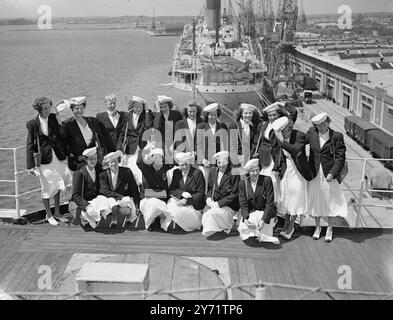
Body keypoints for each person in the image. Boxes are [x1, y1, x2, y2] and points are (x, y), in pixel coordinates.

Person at [26, 97, 72, 226]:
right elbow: (30, 144)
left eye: (48, 107)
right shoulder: (33, 124)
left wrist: (59, 122)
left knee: (58, 185)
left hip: (57, 156)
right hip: (44, 160)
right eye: (44, 108)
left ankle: (57, 213)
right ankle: (49, 214)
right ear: (39, 109)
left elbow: (62, 135)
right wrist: (30, 166)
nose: (47, 110)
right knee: (46, 187)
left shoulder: (53, 118)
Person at [307, 113, 348, 242]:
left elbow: (341, 157)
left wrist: (333, 173)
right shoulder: (312, 133)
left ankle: (329, 228)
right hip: (315, 173)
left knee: (330, 200)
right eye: (319, 125)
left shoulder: (336, 136)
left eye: (324, 124)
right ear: (315, 126)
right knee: (316, 200)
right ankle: (317, 227)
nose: (322, 127)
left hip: (328, 173)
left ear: (328, 122)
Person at [271, 117, 313, 240]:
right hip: (287, 170)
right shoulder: (281, 137)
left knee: (295, 198)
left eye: (282, 131)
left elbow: (294, 150)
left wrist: (283, 141)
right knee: (287, 198)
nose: (281, 134)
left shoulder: (299, 136)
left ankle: (291, 227)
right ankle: (285, 225)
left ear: (288, 128)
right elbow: (280, 154)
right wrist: (276, 168)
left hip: (298, 171)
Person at [237, 159, 279, 244]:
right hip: (252, 212)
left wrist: (263, 220)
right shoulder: (242, 184)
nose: (255, 173)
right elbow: (243, 204)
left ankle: (265, 231)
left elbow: (270, 203)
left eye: (257, 170)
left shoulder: (267, 180)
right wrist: (245, 218)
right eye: (252, 171)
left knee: (264, 237)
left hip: (266, 212)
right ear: (248, 172)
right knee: (244, 227)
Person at [71, 147, 113, 229]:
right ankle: (85, 216)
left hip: (95, 201)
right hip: (84, 203)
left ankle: (93, 215)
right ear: (86, 160)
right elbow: (75, 196)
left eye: (95, 159)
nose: (93, 161)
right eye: (90, 159)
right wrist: (87, 206)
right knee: (89, 211)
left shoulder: (99, 171)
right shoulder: (79, 173)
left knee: (107, 201)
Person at [64, 97, 109, 171]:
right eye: (77, 108)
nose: (79, 111)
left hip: (94, 160)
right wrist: (74, 156)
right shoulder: (67, 124)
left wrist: (104, 154)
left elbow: (102, 138)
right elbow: (64, 143)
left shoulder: (92, 121)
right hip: (79, 162)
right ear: (72, 109)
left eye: (81, 108)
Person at [118, 96, 154, 186]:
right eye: (136, 107)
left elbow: (148, 125)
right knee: (130, 169)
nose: (138, 109)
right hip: (130, 148)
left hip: (142, 147)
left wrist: (146, 110)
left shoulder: (146, 116)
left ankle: (141, 188)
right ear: (133, 106)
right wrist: (119, 149)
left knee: (140, 169)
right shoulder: (126, 116)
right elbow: (122, 134)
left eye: (140, 107)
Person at [202, 151, 240, 237]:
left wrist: (219, 204)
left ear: (227, 162)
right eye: (218, 162)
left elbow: (235, 194)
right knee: (205, 216)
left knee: (211, 214)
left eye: (223, 162)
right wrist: (208, 198)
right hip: (215, 202)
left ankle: (229, 224)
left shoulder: (234, 172)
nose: (220, 165)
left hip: (230, 205)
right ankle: (221, 227)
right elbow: (211, 188)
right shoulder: (212, 171)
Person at [253, 102, 285, 203]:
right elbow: (258, 140)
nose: (272, 117)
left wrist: (281, 104)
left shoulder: (282, 124)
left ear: (279, 115)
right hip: (264, 157)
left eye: (274, 115)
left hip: (276, 156)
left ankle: (275, 202)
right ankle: (264, 202)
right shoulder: (262, 125)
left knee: (274, 180)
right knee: (262, 179)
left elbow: (293, 114)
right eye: (270, 115)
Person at [165, 152, 205, 232]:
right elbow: (172, 189)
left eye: (186, 164)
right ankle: (181, 223)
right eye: (182, 165)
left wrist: (187, 201)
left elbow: (201, 193)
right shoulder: (176, 172)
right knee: (171, 204)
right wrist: (181, 194)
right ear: (178, 165)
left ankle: (191, 224)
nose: (184, 167)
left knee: (177, 211)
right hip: (179, 200)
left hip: (193, 203)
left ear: (190, 163)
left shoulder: (197, 173)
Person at [99, 150, 140, 228]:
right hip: (111, 198)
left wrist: (137, 203)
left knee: (125, 210)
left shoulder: (127, 171)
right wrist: (120, 197)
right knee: (113, 206)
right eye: (111, 162)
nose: (113, 164)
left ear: (118, 161)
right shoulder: (103, 175)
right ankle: (114, 220)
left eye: (115, 161)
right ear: (108, 164)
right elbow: (105, 191)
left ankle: (128, 218)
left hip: (124, 199)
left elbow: (134, 188)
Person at [137, 144, 172, 231]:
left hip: (161, 199)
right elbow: (139, 162)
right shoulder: (146, 169)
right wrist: (146, 148)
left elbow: (174, 161)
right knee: (152, 203)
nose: (157, 164)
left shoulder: (165, 167)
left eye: (159, 160)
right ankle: (151, 222)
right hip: (148, 199)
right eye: (155, 160)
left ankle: (157, 219)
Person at [196, 103, 228, 188]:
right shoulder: (201, 126)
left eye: (215, 115)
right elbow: (198, 145)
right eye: (211, 115)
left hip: (218, 163)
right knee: (205, 185)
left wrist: (223, 159)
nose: (213, 117)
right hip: (205, 162)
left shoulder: (222, 126)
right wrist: (203, 159)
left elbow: (224, 145)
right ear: (207, 115)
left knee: (217, 184)